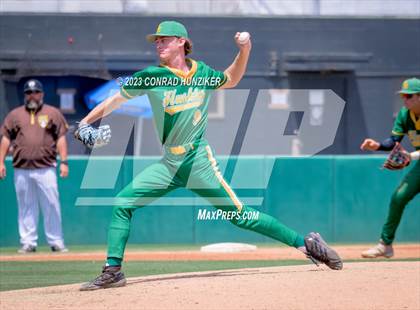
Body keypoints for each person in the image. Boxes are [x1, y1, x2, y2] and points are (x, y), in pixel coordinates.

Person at [76, 21, 342, 291]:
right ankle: (113, 271)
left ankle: (305, 244)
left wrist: (245, 49)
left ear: (181, 41)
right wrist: (85, 121)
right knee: (122, 202)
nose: (158, 44)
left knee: (241, 216)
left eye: (164, 39)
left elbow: (232, 78)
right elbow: (116, 99)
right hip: (168, 164)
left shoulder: (201, 73)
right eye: (156, 41)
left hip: (198, 162)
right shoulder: (152, 76)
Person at [0, 79, 69, 253]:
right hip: (21, 168)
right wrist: (0, 161)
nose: (32, 95)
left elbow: (61, 137)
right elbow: (6, 139)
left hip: (46, 167)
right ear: (25, 95)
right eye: (29, 92)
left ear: (42, 94)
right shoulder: (15, 115)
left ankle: (56, 241)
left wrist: (64, 161)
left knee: (51, 204)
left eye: (36, 92)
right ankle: (28, 242)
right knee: (25, 206)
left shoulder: (52, 113)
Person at [360, 77, 420, 258]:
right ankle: (385, 245)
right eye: (403, 96)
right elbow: (394, 141)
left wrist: (412, 155)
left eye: (409, 96)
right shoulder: (404, 114)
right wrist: (377, 145)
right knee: (398, 198)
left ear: (419, 96)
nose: (405, 99)